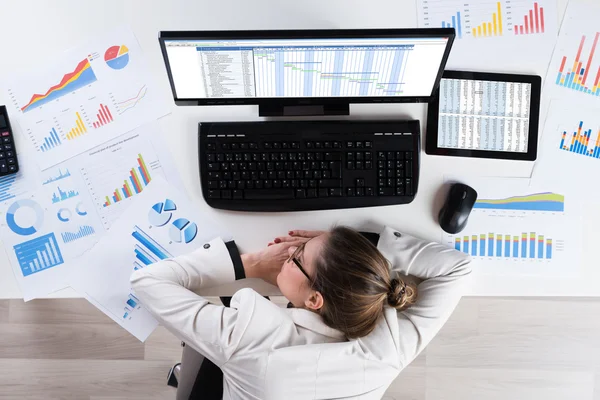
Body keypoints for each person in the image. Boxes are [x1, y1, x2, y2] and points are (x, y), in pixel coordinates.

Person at [131, 226, 472, 399]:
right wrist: (358, 258)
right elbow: (456, 268)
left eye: (297, 256)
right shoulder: (389, 351)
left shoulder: (244, 337)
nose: (290, 249)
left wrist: (248, 263)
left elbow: (146, 281)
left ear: (314, 300)